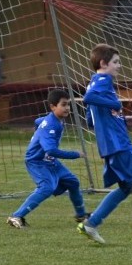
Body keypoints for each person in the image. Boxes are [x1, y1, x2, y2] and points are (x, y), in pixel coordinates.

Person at [77, 44, 132, 248]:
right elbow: (89, 99)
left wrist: (123, 119)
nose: (119, 65)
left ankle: (91, 224)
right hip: (118, 144)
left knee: (126, 187)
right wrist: (116, 105)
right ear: (103, 63)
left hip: (108, 144)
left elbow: (91, 119)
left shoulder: (93, 82)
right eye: (116, 62)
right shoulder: (103, 80)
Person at [6, 89, 89, 229]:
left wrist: (38, 133)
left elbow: (37, 121)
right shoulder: (51, 125)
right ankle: (16, 216)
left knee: (73, 182)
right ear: (52, 107)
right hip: (37, 161)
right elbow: (50, 150)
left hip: (50, 161)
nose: (67, 108)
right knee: (46, 188)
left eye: (68, 104)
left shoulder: (52, 120)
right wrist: (75, 154)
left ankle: (81, 215)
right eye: (63, 105)